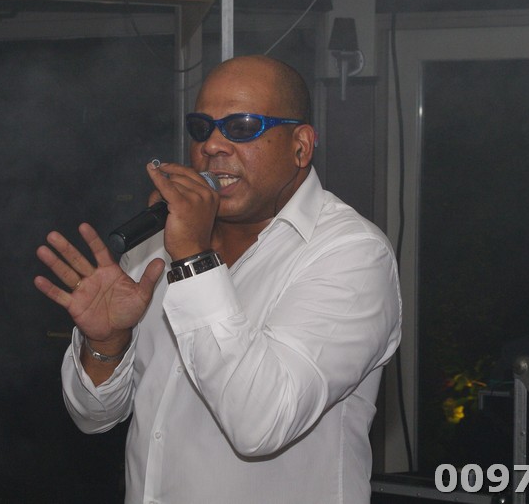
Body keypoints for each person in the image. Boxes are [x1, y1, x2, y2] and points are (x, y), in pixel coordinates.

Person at [34, 55, 402, 503]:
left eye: (242, 127)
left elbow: (260, 424)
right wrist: (108, 344)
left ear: (301, 146)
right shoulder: (160, 243)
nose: (212, 145)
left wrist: (193, 260)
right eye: (201, 127)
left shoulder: (351, 253)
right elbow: (94, 416)